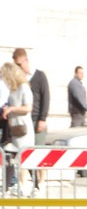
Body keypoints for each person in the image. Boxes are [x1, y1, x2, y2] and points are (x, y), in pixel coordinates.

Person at [12, 48, 50, 192]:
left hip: (36, 120)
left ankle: (41, 182)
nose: (18, 68)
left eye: (19, 65)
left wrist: (42, 118)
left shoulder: (40, 76)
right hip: (24, 122)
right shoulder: (19, 80)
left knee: (38, 152)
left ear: (26, 60)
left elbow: (46, 98)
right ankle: (30, 184)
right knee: (25, 155)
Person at [0, 62, 35, 196]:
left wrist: (11, 109)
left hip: (23, 129)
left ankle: (26, 184)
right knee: (12, 157)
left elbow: (28, 108)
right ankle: (18, 185)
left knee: (23, 158)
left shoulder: (24, 88)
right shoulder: (13, 89)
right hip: (13, 129)